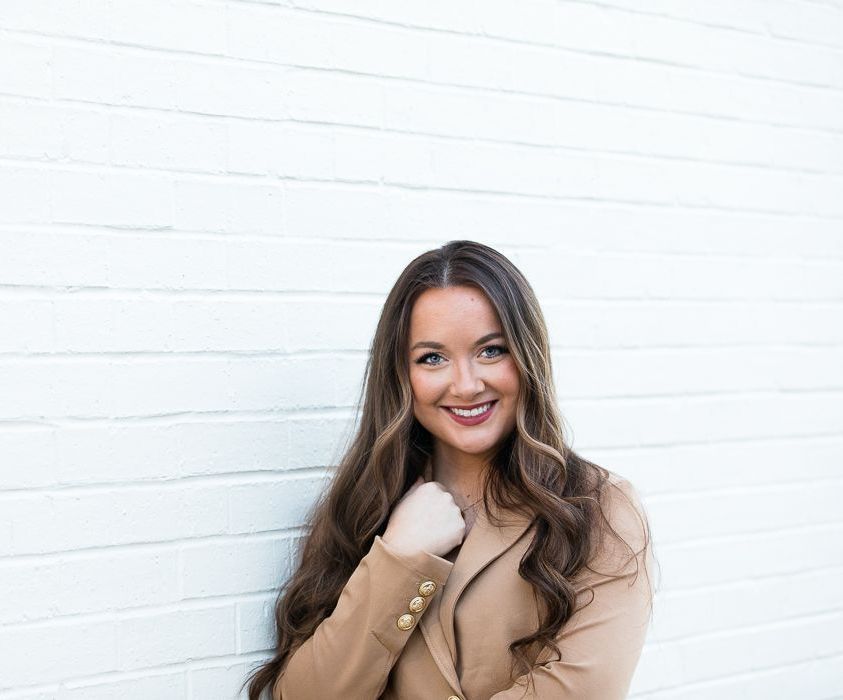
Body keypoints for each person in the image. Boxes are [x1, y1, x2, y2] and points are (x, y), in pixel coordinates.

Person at [243, 240, 657, 699]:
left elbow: (582, 690)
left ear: (527, 357)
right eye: (432, 358)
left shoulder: (598, 510)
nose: (465, 385)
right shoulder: (361, 509)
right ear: (401, 375)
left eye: (491, 351)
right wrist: (399, 559)